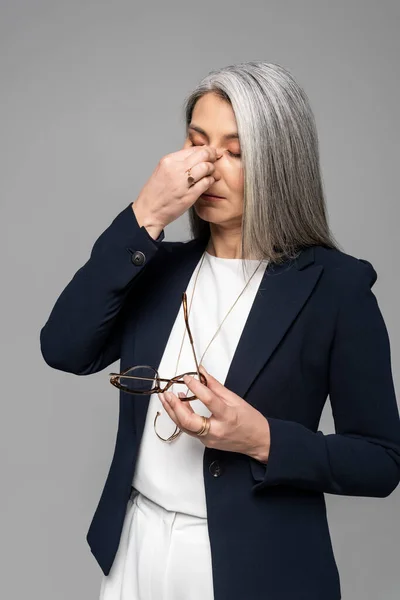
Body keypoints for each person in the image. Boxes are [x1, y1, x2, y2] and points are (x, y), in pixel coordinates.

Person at [40, 61, 400, 600]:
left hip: (251, 569)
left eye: (236, 152)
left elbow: (381, 460)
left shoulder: (335, 288)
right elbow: (63, 347)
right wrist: (144, 215)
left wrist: (265, 441)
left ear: (280, 165)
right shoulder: (157, 265)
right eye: (197, 143)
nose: (209, 167)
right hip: (134, 551)